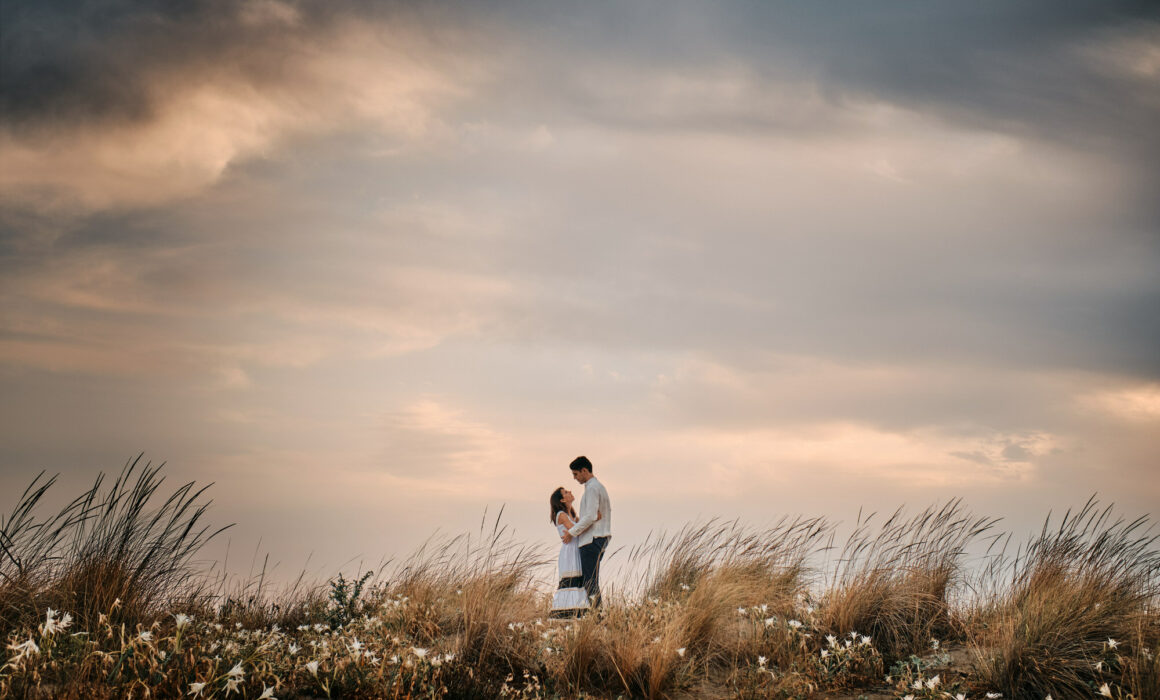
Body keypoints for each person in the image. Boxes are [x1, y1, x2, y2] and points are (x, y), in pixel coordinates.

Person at [561, 455, 611, 609]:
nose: (575, 478)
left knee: (589, 581)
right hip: (598, 537)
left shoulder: (592, 488)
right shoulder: (597, 487)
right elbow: (593, 515)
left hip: (591, 539)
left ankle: (598, 616)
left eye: (576, 474)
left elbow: (590, 516)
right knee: (591, 579)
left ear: (584, 470)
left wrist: (572, 532)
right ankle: (598, 614)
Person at [548, 486, 589, 617]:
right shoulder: (561, 515)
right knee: (570, 581)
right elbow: (577, 528)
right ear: (562, 500)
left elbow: (577, 528)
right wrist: (574, 531)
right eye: (566, 492)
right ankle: (565, 614)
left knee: (578, 582)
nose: (570, 492)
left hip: (576, 550)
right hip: (569, 552)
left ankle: (579, 612)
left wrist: (573, 531)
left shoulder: (573, 515)